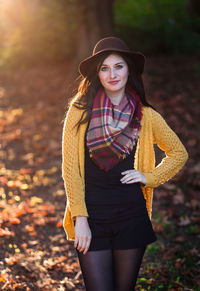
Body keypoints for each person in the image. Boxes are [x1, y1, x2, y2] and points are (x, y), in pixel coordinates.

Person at [62, 37, 188, 291]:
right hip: (92, 213)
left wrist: (148, 177)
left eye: (118, 66)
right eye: (104, 68)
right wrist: (81, 218)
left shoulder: (146, 115)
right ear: (97, 74)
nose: (112, 74)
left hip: (130, 213)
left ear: (129, 69)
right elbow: (70, 170)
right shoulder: (79, 111)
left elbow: (178, 153)